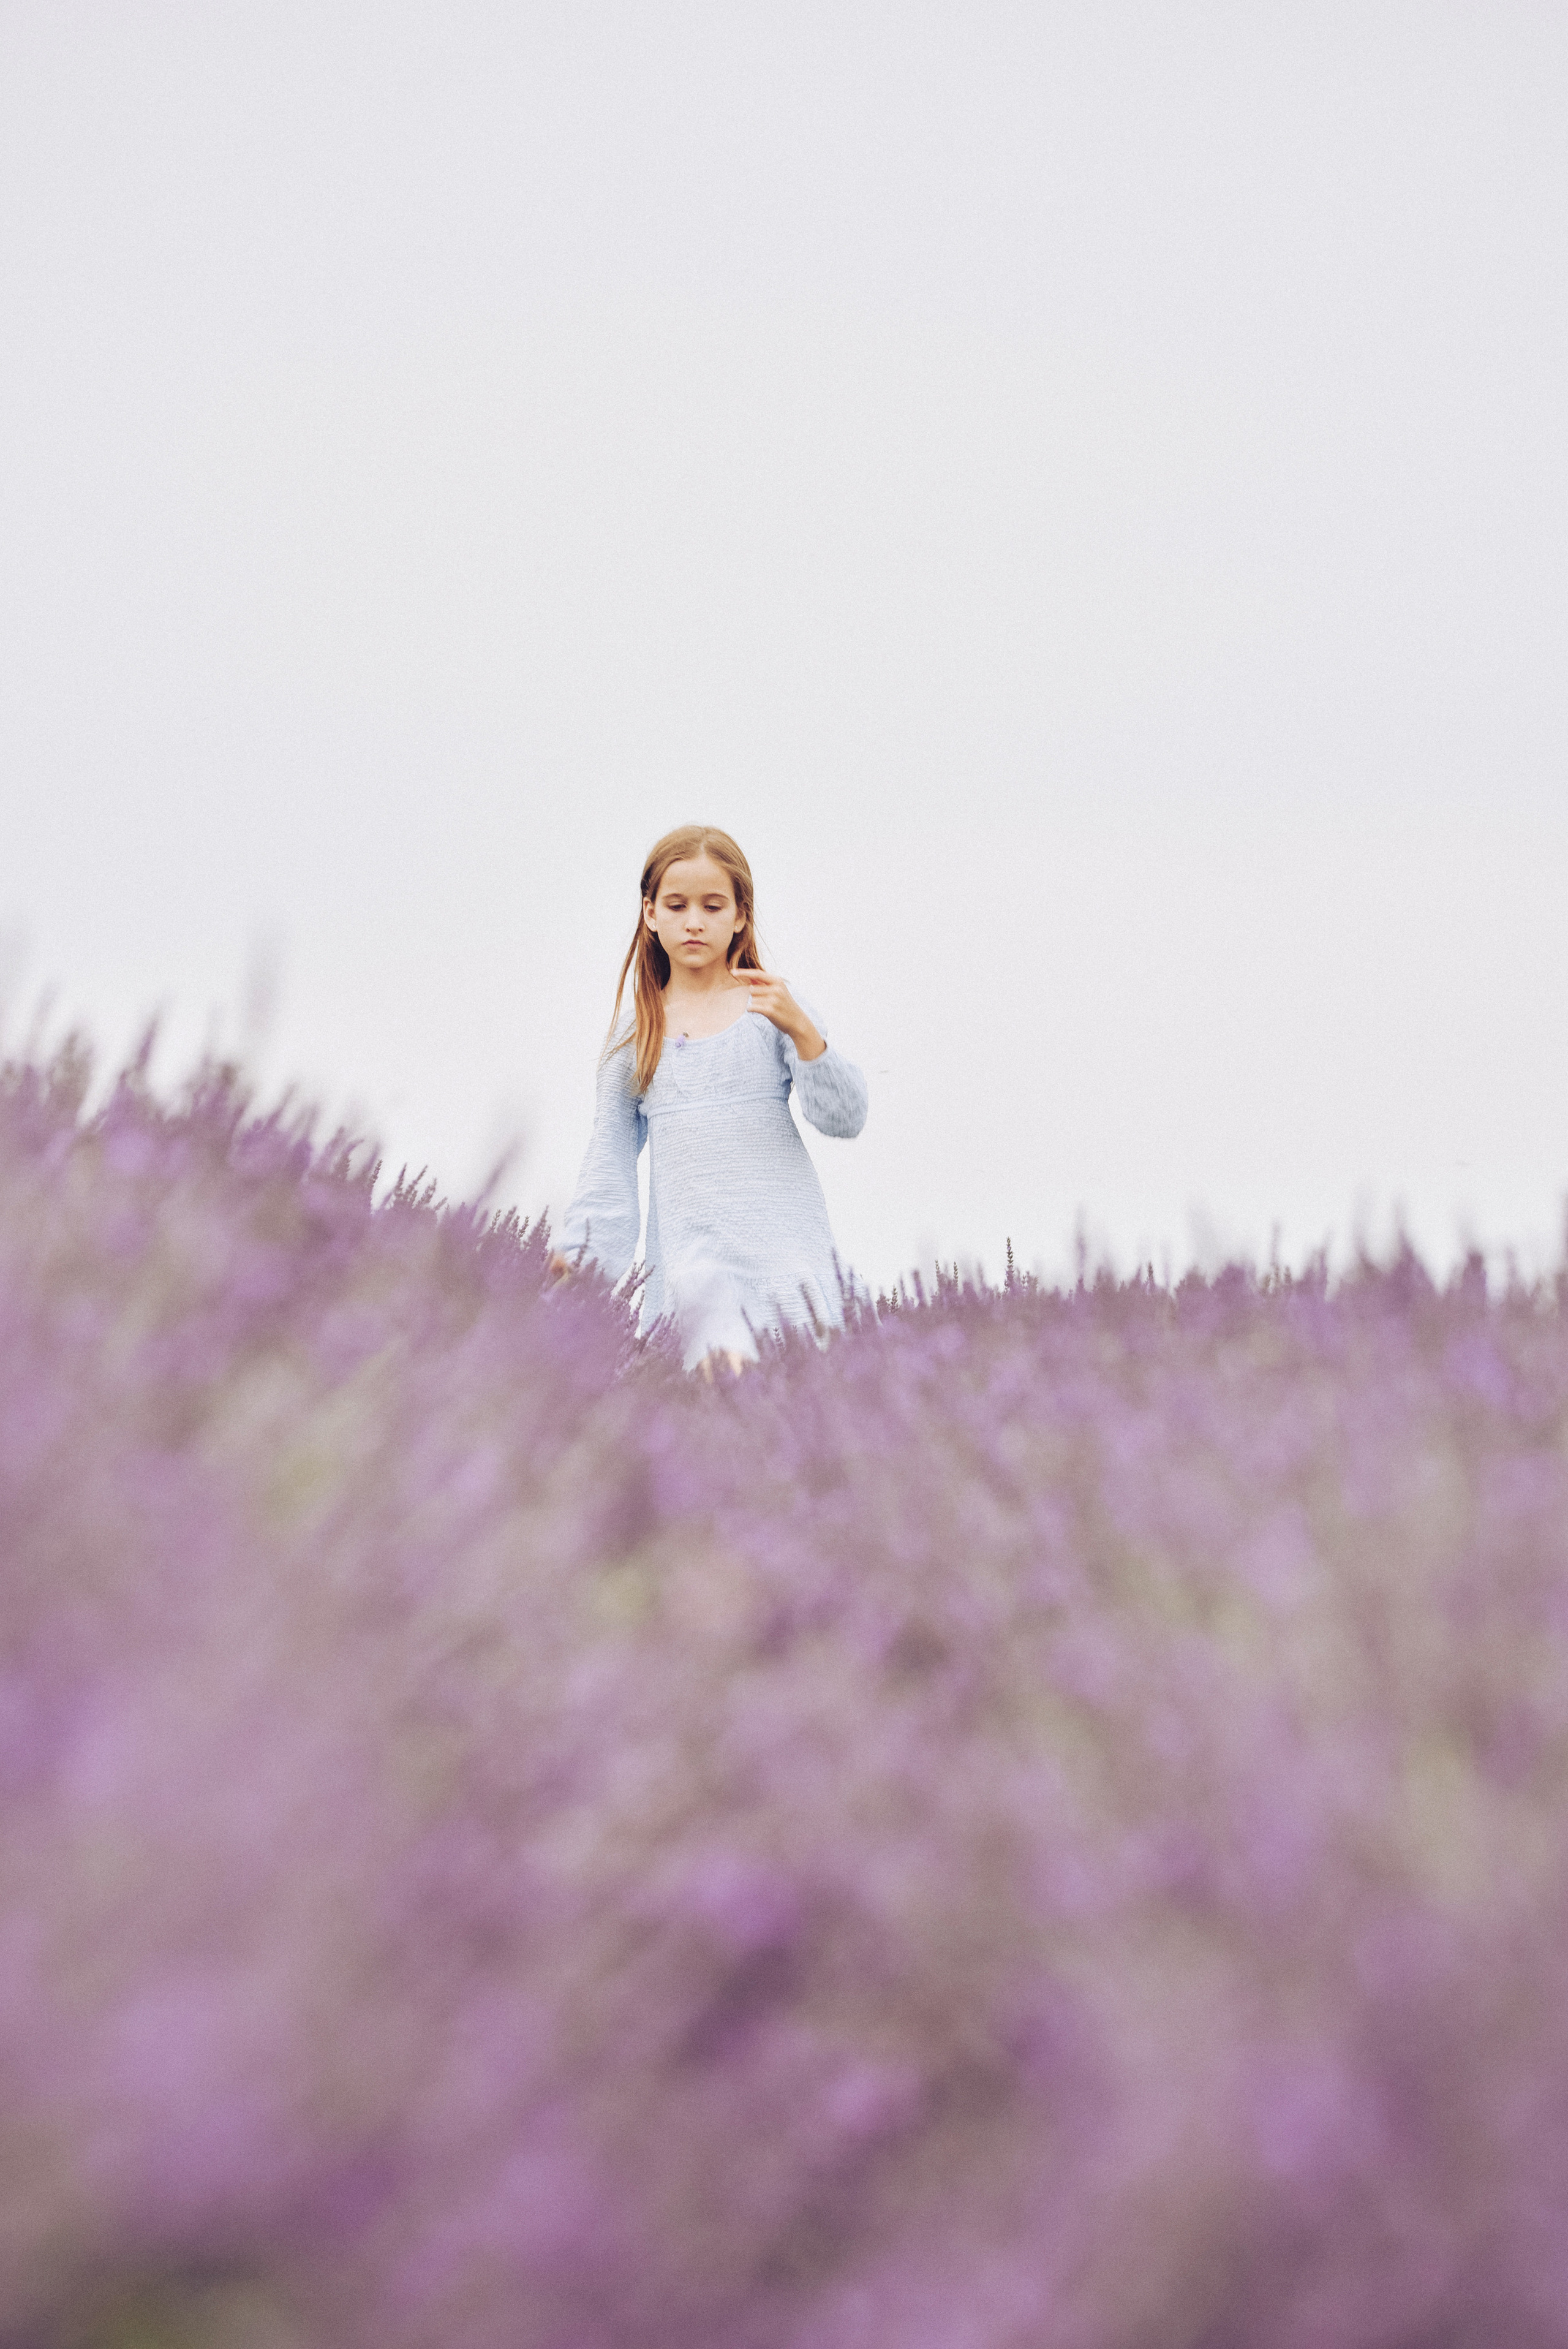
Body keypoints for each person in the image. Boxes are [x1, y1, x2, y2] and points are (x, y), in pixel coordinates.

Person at [552, 824, 868, 1370]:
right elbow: (609, 1166)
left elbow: (845, 1118)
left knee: (796, 1423)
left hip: (787, 1261)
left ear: (741, 915)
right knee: (720, 1393)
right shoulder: (633, 1042)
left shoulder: (772, 1010)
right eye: (676, 906)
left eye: (713, 906)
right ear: (650, 914)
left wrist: (805, 1035)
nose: (694, 921)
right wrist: (580, 1257)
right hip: (695, 1272)